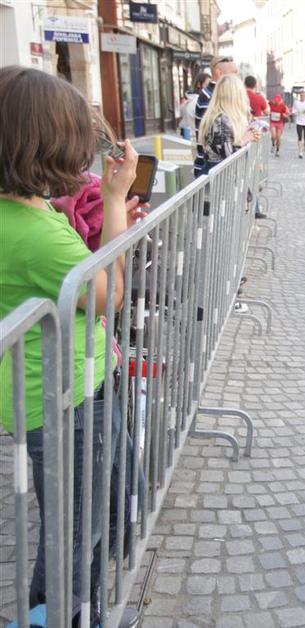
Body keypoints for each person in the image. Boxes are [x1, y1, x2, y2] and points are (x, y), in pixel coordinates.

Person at [0, 65, 148, 628]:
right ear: (47, 144)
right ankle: (57, 616)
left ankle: (79, 609)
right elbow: (109, 292)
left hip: (64, 389)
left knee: (99, 507)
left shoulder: (24, 211)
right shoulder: (35, 233)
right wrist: (115, 200)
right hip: (67, 400)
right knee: (74, 532)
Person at [199, 74, 261, 172]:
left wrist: (247, 133)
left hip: (219, 175)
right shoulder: (220, 119)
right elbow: (228, 158)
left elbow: (226, 147)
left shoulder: (220, 117)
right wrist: (245, 139)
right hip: (220, 177)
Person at [194, 56, 239, 177]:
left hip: (215, 170)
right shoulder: (211, 96)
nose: (237, 76)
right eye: (234, 72)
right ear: (219, 73)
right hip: (211, 171)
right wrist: (244, 139)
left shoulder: (214, 94)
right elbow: (220, 142)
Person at [180, 72, 208, 140]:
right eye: (207, 85)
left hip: (189, 137)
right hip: (197, 139)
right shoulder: (199, 102)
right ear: (199, 84)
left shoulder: (188, 99)